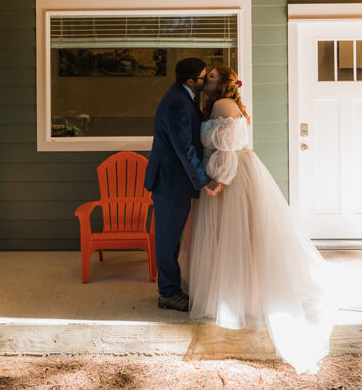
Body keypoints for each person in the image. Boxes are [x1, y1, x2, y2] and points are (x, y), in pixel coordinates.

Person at [188, 65, 335, 374]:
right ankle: (240, 295)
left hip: (231, 175)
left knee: (235, 237)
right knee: (242, 238)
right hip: (234, 170)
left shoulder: (220, 105)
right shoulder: (220, 105)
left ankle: (238, 298)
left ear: (224, 83)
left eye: (212, 76)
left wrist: (221, 180)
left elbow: (227, 147)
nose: (207, 80)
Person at [144, 57, 223, 312]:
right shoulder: (178, 102)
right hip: (169, 182)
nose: (204, 81)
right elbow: (184, 148)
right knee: (167, 240)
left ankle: (172, 287)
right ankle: (167, 293)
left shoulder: (185, 95)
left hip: (175, 181)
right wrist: (204, 181)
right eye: (202, 77)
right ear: (191, 81)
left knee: (172, 239)